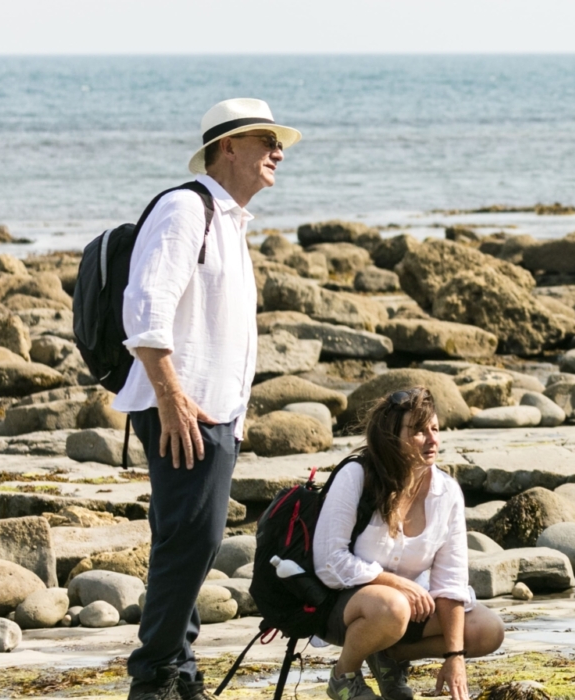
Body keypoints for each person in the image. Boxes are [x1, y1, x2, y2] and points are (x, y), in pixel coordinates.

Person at [115, 98, 299, 700]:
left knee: (186, 538)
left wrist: (234, 416)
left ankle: (180, 673)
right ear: (228, 147)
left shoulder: (228, 221)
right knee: (195, 539)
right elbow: (145, 308)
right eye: (266, 140)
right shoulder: (183, 208)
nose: (278, 152)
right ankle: (156, 677)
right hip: (184, 408)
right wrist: (169, 395)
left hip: (212, 409)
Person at [315, 387, 506, 700]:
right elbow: (329, 562)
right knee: (394, 606)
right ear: (392, 435)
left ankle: (389, 657)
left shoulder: (447, 493)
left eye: (435, 429)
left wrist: (454, 656)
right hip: (340, 606)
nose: (432, 440)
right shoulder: (356, 475)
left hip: (404, 610)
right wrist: (394, 584)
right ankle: (344, 677)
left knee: (488, 629)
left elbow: (451, 581)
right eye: (418, 431)